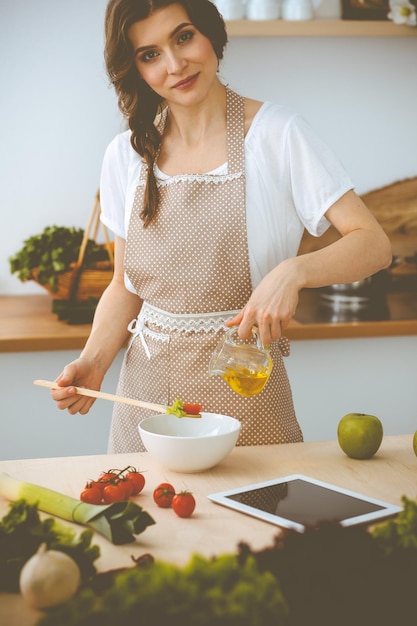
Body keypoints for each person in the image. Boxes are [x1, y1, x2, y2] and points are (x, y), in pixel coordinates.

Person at [51, 0, 392, 453]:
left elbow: (373, 244)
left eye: (184, 36)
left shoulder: (277, 134)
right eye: (149, 54)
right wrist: (93, 361)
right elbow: (125, 285)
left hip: (245, 391)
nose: (175, 65)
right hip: (145, 403)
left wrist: (293, 272)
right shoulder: (125, 154)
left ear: (210, 33)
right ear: (135, 69)